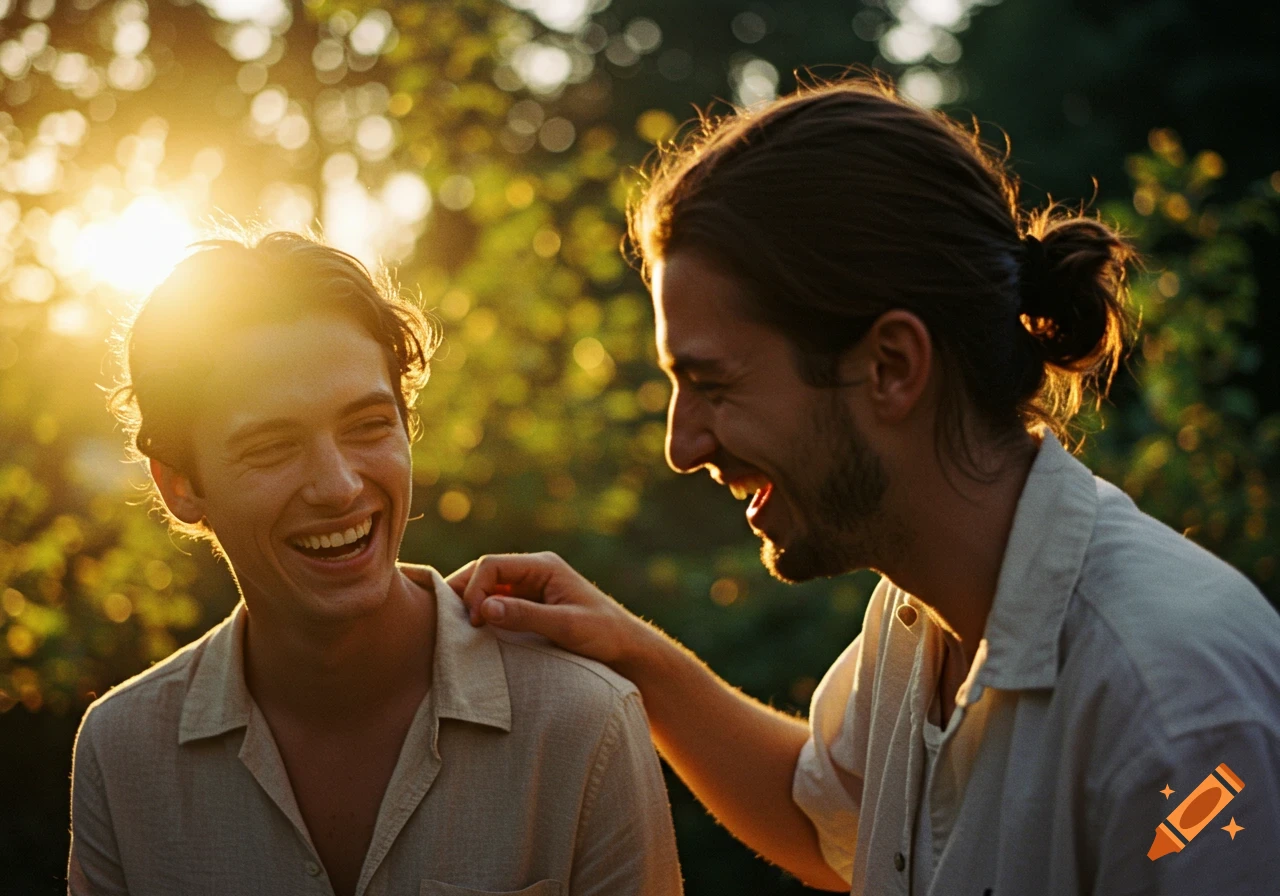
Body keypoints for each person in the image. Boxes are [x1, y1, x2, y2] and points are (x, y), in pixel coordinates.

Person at [414, 80, 1280, 894]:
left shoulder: (1177, 714)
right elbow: (825, 817)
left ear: (892, 366)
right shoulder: (919, 624)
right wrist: (627, 651)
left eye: (714, 383)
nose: (683, 444)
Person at [68, 232, 683, 896]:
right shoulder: (122, 750)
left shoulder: (582, 724)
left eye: (368, 426)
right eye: (273, 446)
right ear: (181, 485)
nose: (338, 486)